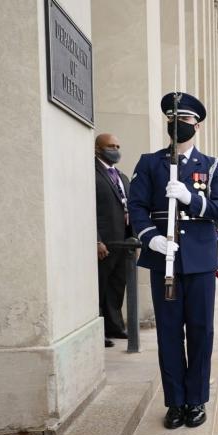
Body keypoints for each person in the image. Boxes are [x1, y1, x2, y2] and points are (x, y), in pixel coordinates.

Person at [128, 92, 218, 429]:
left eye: (185, 120)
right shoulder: (149, 163)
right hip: (164, 261)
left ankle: (196, 399)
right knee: (169, 334)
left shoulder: (213, 166)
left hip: (200, 263)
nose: (178, 124)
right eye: (173, 119)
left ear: (196, 125)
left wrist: (191, 200)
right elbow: (137, 207)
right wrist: (151, 238)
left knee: (201, 332)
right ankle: (175, 402)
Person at [95, 133, 132, 348]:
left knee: (117, 287)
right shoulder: (91, 172)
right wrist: (96, 241)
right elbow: (86, 208)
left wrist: (133, 239)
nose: (115, 149)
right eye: (110, 146)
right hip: (104, 243)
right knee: (99, 288)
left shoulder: (121, 176)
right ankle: (100, 332)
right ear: (97, 149)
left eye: (117, 145)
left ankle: (115, 327)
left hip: (123, 243)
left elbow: (130, 208)